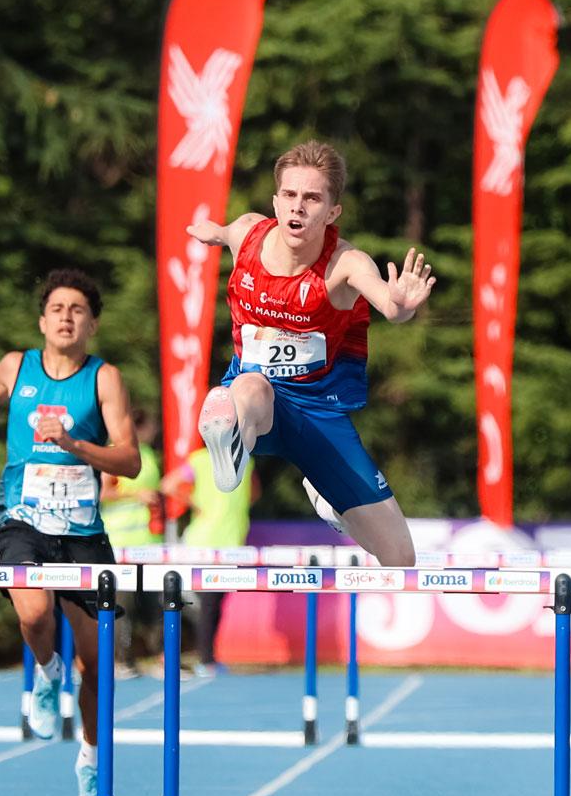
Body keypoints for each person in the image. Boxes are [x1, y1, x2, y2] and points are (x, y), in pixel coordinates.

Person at [185, 140, 434, 568]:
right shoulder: (247, 232)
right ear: (276, 201)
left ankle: (332, 504)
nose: (298, 208)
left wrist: (401, 305)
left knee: (400, 558)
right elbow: (226, 231)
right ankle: (232, 448)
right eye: (290, 195)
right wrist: (214, 233)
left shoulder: (347, 263)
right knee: (247, 387)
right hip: (258, 404)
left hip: (318, 415)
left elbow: (388, 306)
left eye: (312, 198)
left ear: (332, 211)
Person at [0, 267, 140, 796]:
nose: (67, 317)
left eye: (78, 310)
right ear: (42, 321)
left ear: (92, 325)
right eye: (58, 309)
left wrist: (76, 444)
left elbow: (130, 459)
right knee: (34, 613)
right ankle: (44, 671)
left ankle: (88, 758)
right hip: (22, 521)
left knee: (97, 665)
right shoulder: (15, 367)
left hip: (83, 530)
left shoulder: (103, 378)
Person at [166, 443, 258, 669]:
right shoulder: (204, 460)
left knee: (213, 602)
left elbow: (169, 485)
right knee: (208, 603)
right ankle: (205, 658)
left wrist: (198, 505)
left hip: (227, 540)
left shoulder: (239, 460)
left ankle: (204, 655)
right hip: (206, 542)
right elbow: (169, 485)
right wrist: (197, 506)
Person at [100, 407, 164, 676]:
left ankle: (162, 657)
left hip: (148, 541)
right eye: (151, 427)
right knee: (122, 604)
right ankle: (120, 660)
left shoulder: (148, 454)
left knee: (156, 601)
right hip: (120, 541)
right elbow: (101, 494)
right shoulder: (114, 452)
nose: (155, 432)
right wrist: (136, 496)